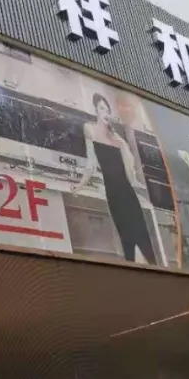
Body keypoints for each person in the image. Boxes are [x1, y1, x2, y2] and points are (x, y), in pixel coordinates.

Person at [72, 93, 157, 265]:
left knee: (142, 236)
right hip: (114, 194)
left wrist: (124, 147)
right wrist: (79, 185)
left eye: (107, 110)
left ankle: (152, 270)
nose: (105, 113)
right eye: (102, 108)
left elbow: (130, 174)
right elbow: (91, 164)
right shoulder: (89, 129)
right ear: (96, 110)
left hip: (128, 193)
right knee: (127, 238)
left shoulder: (116, 138)